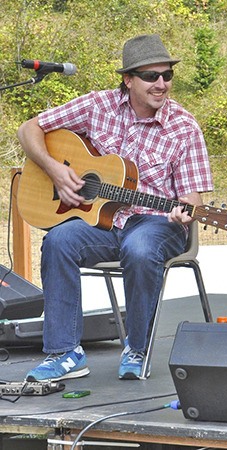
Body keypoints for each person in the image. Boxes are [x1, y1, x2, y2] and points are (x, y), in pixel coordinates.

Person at [17, 34, 213, 381]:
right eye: (151, 76)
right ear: (128, 80)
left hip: (157, 223)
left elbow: (193, 199)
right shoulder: (97, 106)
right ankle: (65, 353)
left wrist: (186, 210)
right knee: (59, 241)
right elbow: (30, 128)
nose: (162, 84)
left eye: (167, 76)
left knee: (139, 248)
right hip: (103, 220)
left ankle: (137, 347)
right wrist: (55, 169)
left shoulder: (184, 127)